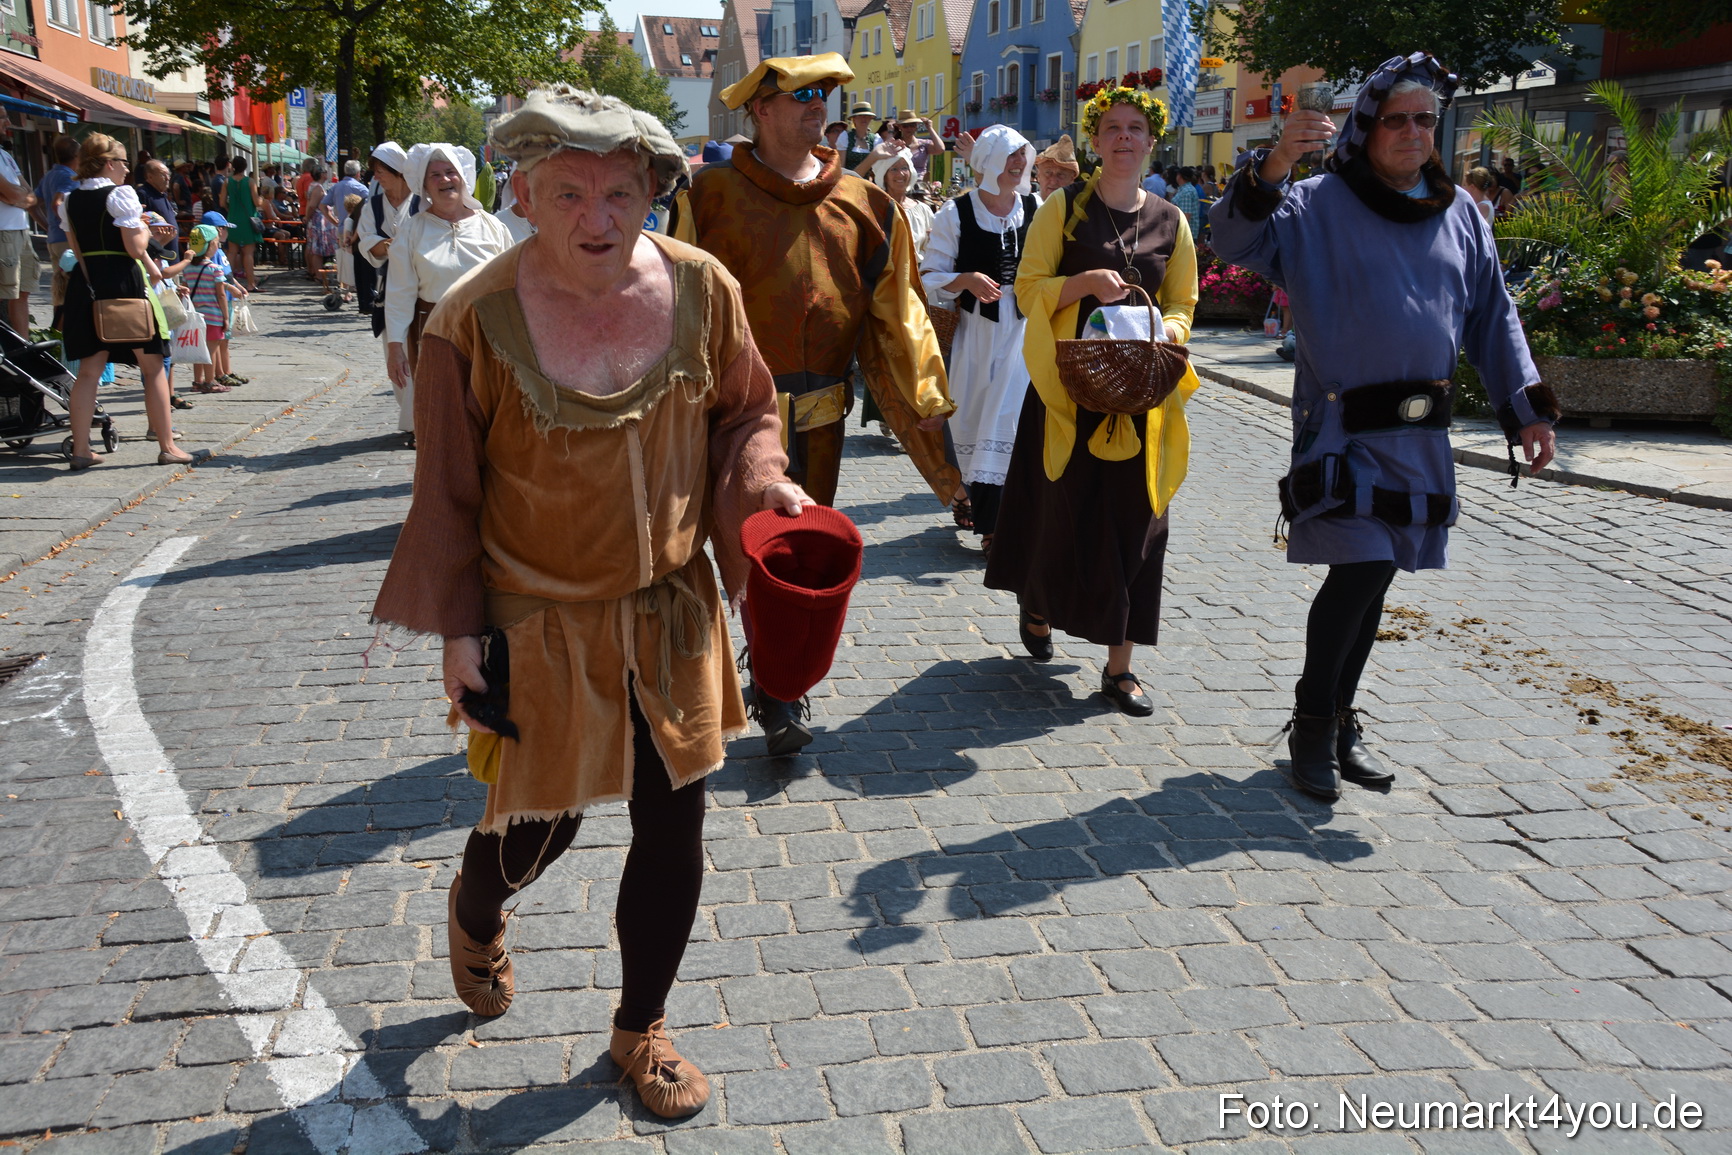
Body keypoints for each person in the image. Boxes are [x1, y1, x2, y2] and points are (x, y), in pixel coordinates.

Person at [373, 84, 809, 1121]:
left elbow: (746, 412)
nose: (597, 219)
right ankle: (476, 914)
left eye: (623, 192)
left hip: (668, 607)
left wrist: (764, 483)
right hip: (535, 617)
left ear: (655, 191)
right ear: (520, 192)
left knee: (675, 824)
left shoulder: (704, 290)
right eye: (568, 193)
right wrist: (459, 632)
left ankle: (638, 1031)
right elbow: (444, 494)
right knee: (540, 826)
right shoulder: (469, 322)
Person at [1208, 51, 1559, 800]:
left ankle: (1336, 721)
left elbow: (1495, 317)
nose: (1411, 131)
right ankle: (1311, 725)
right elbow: (1231, 240)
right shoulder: (1316, 205)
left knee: (1375, 580)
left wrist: (1524, 408)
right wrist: (1273, 161)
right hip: (1344, 433)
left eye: (1425, 119)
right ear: (1366, 127)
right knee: (1362, 569)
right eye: (1396, 118)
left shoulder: (1460, 212)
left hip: (1419, 438)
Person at [671, 53, 957, 756]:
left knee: (793, 554)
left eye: (823, 95)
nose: (817, 107)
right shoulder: (707, 195)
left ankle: (780, 686)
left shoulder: (864, 202)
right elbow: (673, 306)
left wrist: (924, 395)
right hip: (732, 418)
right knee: (726, 552)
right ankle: (702, 673)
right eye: (801, 96)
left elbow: (899, 312)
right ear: (760, 109)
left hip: (823, 419)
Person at [985, 85, 1202, 717]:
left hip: (1142, 400)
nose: (1125, 138)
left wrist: (1169, 333)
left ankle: (1120, 668)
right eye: (1113, 128)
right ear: (1095, 139)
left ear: (1151, 140)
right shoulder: (1065, 207)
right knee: (1063, 515)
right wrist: (1083, 283)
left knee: (1139, 528)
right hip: (1069, 396)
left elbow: (1185, 303)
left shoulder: (1172, 219)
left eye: (1137, 128)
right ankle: (1039, 600)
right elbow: (1027, 291)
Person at [920, 125, 1037, 554]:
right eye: (1010, 156)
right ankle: (978, 507)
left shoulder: (1035, 206)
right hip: (977, 334)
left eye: (1022, 155)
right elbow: (929, 276)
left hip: (1024, 332)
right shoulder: (956, 212)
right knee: (975, 417)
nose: (1018, 164)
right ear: (988, 161)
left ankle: (998, 527)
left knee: (1012, 419)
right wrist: (965, 279)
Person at [59, 135, 199, 468]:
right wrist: (149, 232)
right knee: (152, 367)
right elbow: (135, 248)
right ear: (109, 163)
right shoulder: (121, 195)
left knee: (89, 371)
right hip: (123, 281)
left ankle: (81, 449)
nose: (126, 171)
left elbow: (76, 249)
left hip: (88, 283)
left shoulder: (69, 198)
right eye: (123, 163)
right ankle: (167, 445)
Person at [383, 142, 512, 450]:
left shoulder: (492, 227)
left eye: (450, 172)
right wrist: (395, 347)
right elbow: (400, 291)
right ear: (425, 185)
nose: (444, 180)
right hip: (433, 333)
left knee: (488, 412)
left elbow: (512, 285)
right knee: (441, 417)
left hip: (487, 332)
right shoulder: (413, 231)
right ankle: (444, 487)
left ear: (463, 177)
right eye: (435, 175)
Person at [359, 142, 419, 439]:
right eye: (376, 171)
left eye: (382, 171)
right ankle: (410, 415)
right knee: (394, 351)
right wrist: (386, 246)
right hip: (389, 286)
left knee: (416, 351)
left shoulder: (422, 201)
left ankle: (418, 420)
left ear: (399, 172)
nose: (377, 176)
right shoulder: (373, 204)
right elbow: (365, 237)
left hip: (421, 285)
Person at [32, 135, 79, 330]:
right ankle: (67, 337)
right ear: (77, 155)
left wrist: (47, 226)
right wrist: (67, 227)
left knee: (60, 292)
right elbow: (57, 203)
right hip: (66, 241)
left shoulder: (51, 174)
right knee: (72, 292)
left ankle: (60, 338)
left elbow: (32, 203)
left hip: (55, 240)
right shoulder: (67, 176)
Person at [0, 108, 39, 336]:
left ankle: (23, 349)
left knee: (22, 292)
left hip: (21, 231)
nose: (8, 122)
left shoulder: (6, 155)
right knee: (7, 293)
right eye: (3, 117)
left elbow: (30, 195)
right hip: (4, 232)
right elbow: (17, 195)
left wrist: (16, 195)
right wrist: (17, 195)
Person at [134, 160, 181, 262]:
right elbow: (141, 226)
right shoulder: (143, 194)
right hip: (157, 261)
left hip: (171, 258)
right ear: (150, 177)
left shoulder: (162, 194)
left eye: (168, 174)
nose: (168, 178)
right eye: (163, 175)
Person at [303, 161, 335, 282]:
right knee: (317, 249)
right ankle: (318, 275)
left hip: (316, 220)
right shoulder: (318, 188)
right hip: (317, 221)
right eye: (325, 172)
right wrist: (308, 216)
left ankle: (314, 272)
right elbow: (312, 205)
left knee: (314, 247)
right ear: (321, 174)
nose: (326, 173)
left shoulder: (314, 186)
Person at [1032, 135, 1080, 201]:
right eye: (1048, 173)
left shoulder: (1079, 208)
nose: (1053, 181)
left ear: (1072, 178)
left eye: (1061, 174)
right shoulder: (1025, 207)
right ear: (1038, 176)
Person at [842, 101, 877, 170]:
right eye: (860, 116)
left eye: (866, 116)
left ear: (870, 119)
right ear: (854, 119)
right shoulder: (845, 137)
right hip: (849, 179)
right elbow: (841, 166)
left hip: (869, 180)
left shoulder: (875, 139)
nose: (863, 118)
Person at [1170, 166, 1202, 236]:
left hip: (1186, 234)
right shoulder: (1184, 189)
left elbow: (1186, 215)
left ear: (1179, 176)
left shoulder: (1187, 192)